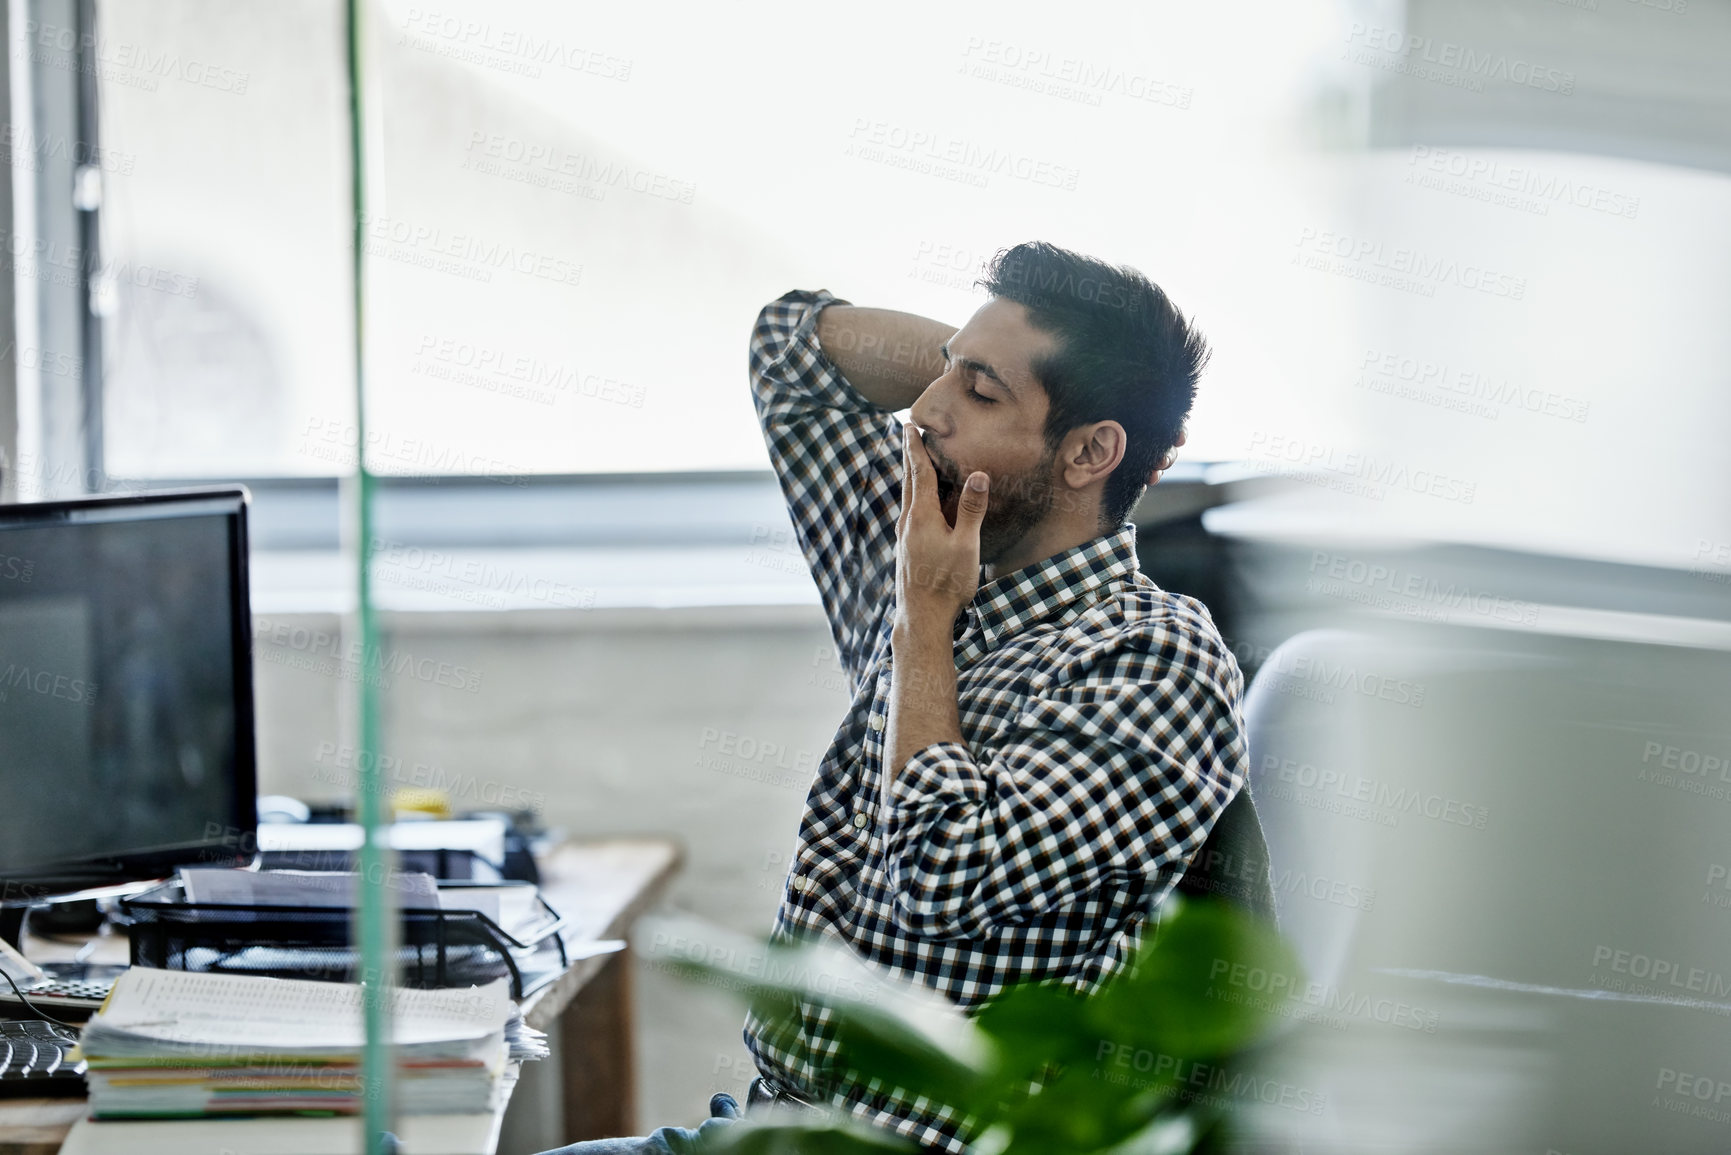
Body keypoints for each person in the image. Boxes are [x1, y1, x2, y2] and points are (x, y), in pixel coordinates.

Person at [536, 241, 1247, 1154]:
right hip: (768, 1126)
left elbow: (943, 876)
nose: (922, 411)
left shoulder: (1154, 661)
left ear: (1088, 452)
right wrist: (981, 366)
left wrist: (923, 620)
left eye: (977, 394)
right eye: (941, 370)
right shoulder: (931, 534)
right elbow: (790, 351)